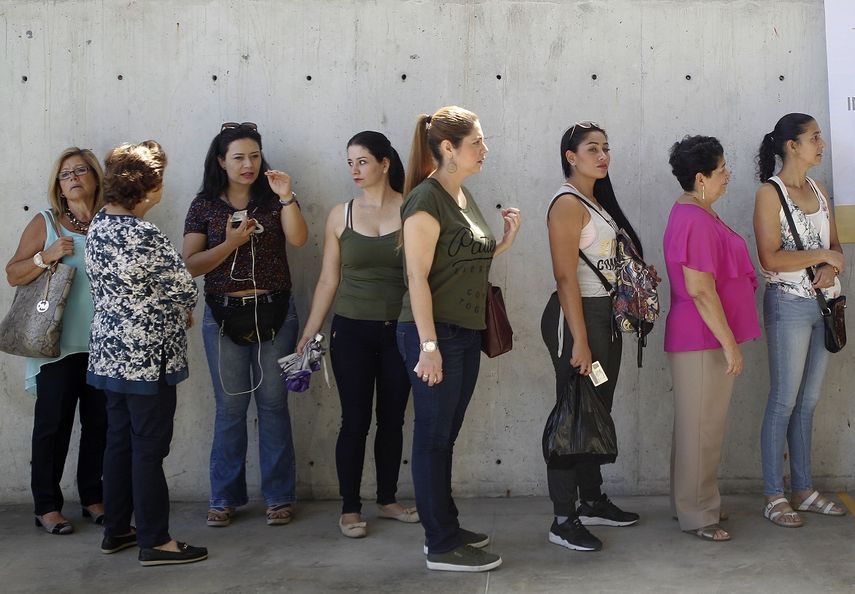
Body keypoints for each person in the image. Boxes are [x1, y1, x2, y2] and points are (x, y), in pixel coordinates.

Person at [396, 106, 520, 572]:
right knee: (432, 437)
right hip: (433, 335)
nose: (484, 150)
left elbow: (468, 257)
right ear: (448, 148)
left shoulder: (462, 194)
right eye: (477, 143)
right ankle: (441, 544)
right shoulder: (426, 200)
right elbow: (416, 276)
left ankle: (444, 524)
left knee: (444, 437)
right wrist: (429, 347)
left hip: (464, 333)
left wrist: (504, 240)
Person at [86, 140, 206, 565]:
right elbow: (182, 287)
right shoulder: (143, 233)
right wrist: (178, 309)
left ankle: (117, 529)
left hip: (109, 355)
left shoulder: (99, 224)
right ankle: (156, 540)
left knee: (118, 442)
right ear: (148, 186)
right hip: (147, 360)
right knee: (149, 448)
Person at [183, 122, 308, 528]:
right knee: (231, 406)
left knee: (273, 405)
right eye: (238, 156)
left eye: (254, 155)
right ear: (221, 161)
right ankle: (224, 497)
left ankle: (278, 497)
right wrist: (231, 243)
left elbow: (301, 239)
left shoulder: (274, 199)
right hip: (222, 314)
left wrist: (287, 197)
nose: (248, 164)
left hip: (275, 310)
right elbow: (190, 265)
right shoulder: (204, 205)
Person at [297, 131, 417, 538]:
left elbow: (421, 276)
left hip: (400, 331)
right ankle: (349, 507)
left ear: (385, 163)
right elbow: (329, 280)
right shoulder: (340, 214)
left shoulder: (411, 209)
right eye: (350, 162)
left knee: (393, 420)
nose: (354, 170)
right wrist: (310, 332)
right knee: (354, 420)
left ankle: (387, 499)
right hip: (351, 331)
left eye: (362, 161)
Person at [541, 122, 644, 552]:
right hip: (578, 317)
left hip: (605, 319)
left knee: (595, 408)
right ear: (571, 156)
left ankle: (592, 500)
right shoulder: (567, 203)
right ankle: (563, 518)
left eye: (606, 147)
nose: (602, 156)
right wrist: (579, 341)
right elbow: (565, 277)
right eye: (592, 149)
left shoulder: (594, 200)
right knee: (573, 413)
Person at [5, 147, 107, 535]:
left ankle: (93, 499)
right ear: (59, 187)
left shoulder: (111, 222)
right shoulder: (46, 222)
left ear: (96, 178)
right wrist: (46, 257)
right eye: (66, 175)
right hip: (57, 344)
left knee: (101, 424)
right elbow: (13, 274)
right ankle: (46, 507)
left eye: (82, 171)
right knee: (53, 426)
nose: (74, 178)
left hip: (103, 343)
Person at [663, 135, 760, 541]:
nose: (729, 176)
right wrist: (729, 344)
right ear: (701, 178)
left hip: (703, 337)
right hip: (703, 339)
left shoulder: (698, 212)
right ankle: (700, 513)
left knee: (696, 426)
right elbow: (701, 290)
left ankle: (692, 504)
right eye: (722, 170)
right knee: (703, 428)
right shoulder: (696, 220)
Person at [754, 113, 846, 526]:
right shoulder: (770, 193)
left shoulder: (819, 189)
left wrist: (830, 268)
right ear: (791, 145)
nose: (820, 145)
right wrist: (822, 257)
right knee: (783, 402)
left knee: (808, 402)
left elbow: (836, 248)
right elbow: (770, 257)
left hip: (824, 305)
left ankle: (804, 489)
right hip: (787, 304)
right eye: (814, 138)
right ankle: (774, 495)